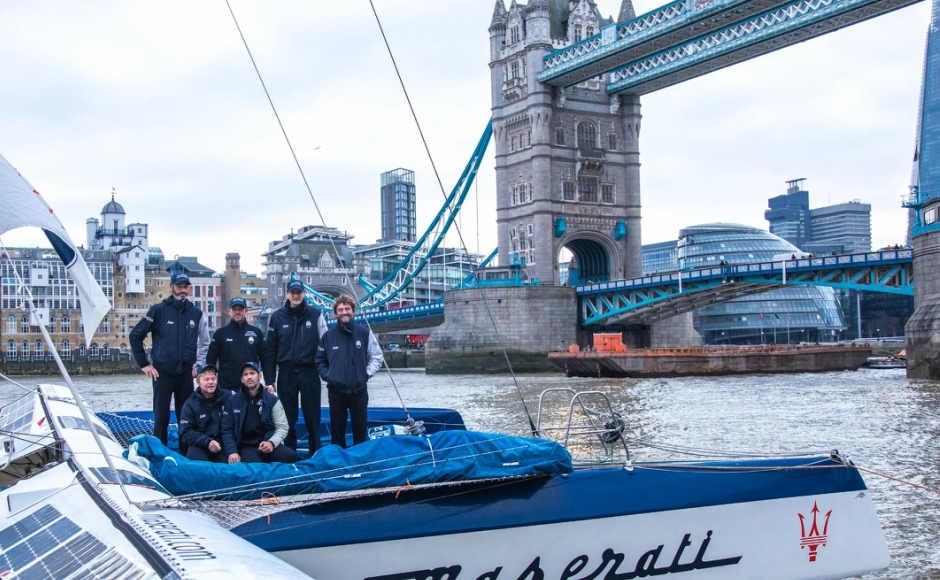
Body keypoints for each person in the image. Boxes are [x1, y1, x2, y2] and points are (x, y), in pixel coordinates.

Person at [130, 272, 209, 453]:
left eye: (185, 286)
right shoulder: (158, 310)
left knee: (186, 417)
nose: (183, 290)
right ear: (172, 287)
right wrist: (144, 364)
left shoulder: (196, 313)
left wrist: (198, 365)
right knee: (161, 416)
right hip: (162, 372)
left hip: (185, 373)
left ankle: (185, 454)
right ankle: (159, 453)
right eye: (179, 286)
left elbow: (205, 342)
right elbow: (135, 335)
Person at [264, 278, 327, 453]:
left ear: (304, 293)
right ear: (287, 294)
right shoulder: (277, 317)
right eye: (293, 292)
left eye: (299, 292)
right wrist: (270, 379)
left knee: (313, 417)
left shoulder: (316, 314)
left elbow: (325, 344)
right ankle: (289, 453)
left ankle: (315, 454)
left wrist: (326, 373)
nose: (296, 295)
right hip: (286, 373)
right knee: (287, 418)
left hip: (309, 372)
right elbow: (270, 351)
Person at [315, 294, 383, 448]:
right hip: (336, 390)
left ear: (353, 311)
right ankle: (338, 463)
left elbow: (377, 357)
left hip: (358, 389)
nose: (344, 312)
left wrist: (365, 374)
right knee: (337, 432)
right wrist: (328, 376)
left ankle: (360, 462)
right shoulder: (328, 336)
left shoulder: (364, 333)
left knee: (360, 431)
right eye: (340, 310)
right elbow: (319, 360)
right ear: (335, 313)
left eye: (347, 309)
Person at [221, 362, 297, 464]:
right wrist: (232, 451)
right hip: (247, 446)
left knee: (291, 456)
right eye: (246, 374)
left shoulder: (272, 400)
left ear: (259, 376)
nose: (249, 377)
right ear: (242, 379)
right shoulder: (232, 401)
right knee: (255, 467)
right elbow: (226, 430)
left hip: (267, 443)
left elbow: (282, 426)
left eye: (252, 373)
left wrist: (271, 443)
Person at [207, 297, 269, 392]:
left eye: (240, 309)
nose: (237, 312)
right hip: (226, 387)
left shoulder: (256, 333)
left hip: (251, 387)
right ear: (229, 311)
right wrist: (210, 382)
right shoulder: (220, 333)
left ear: (246, 311)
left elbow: (266, 359)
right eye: (234, 309)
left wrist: (269, 381)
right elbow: (210, 360)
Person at [178, 364, 231, 463]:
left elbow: (246, 396)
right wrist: (207, 442)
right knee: (195, 466)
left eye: (213, 378)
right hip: (200, 444)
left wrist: (266, 391)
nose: (210, 382)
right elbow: (185, 432)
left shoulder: (228, 397)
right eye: (206, 379)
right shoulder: (190, 404)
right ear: (198, 382)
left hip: (223, 444)